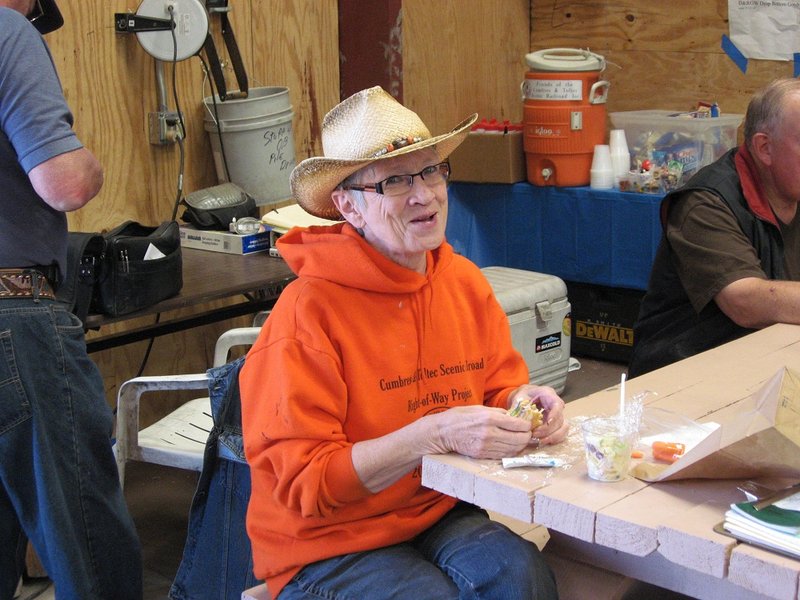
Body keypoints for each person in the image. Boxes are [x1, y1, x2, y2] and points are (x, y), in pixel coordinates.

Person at [240, 86, 567, 599]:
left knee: (520, 574)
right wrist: (430, 435)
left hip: (437, 508)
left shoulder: (462, 282)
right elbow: (308, 484)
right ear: (349, 207)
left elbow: (498, 388)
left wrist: (521, 404)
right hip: (326, 544)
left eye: (430, 170)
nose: (424, 195)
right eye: (394, 181)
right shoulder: (307, 315)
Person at [0, 1, 143, 598]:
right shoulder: (6, 32)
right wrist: (88, 161)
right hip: (14, 320)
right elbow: (65, 182)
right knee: (86, 541)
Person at [628, 77, 800, 378]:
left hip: (766, 364)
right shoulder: (705, 203)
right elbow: (745, 301)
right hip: (684, 380)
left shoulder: (791, 186)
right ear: (764, 148)